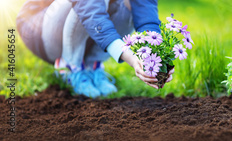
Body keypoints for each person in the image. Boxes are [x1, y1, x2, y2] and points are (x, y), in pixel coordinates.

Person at [16, 0, 174, 97]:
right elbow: (90, 11)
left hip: (85, 28)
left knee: (130, 2)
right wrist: (131, 58)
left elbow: (146, 13)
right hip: (40, 28)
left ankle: (92, 66)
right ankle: (70, 67)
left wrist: (156, 55)